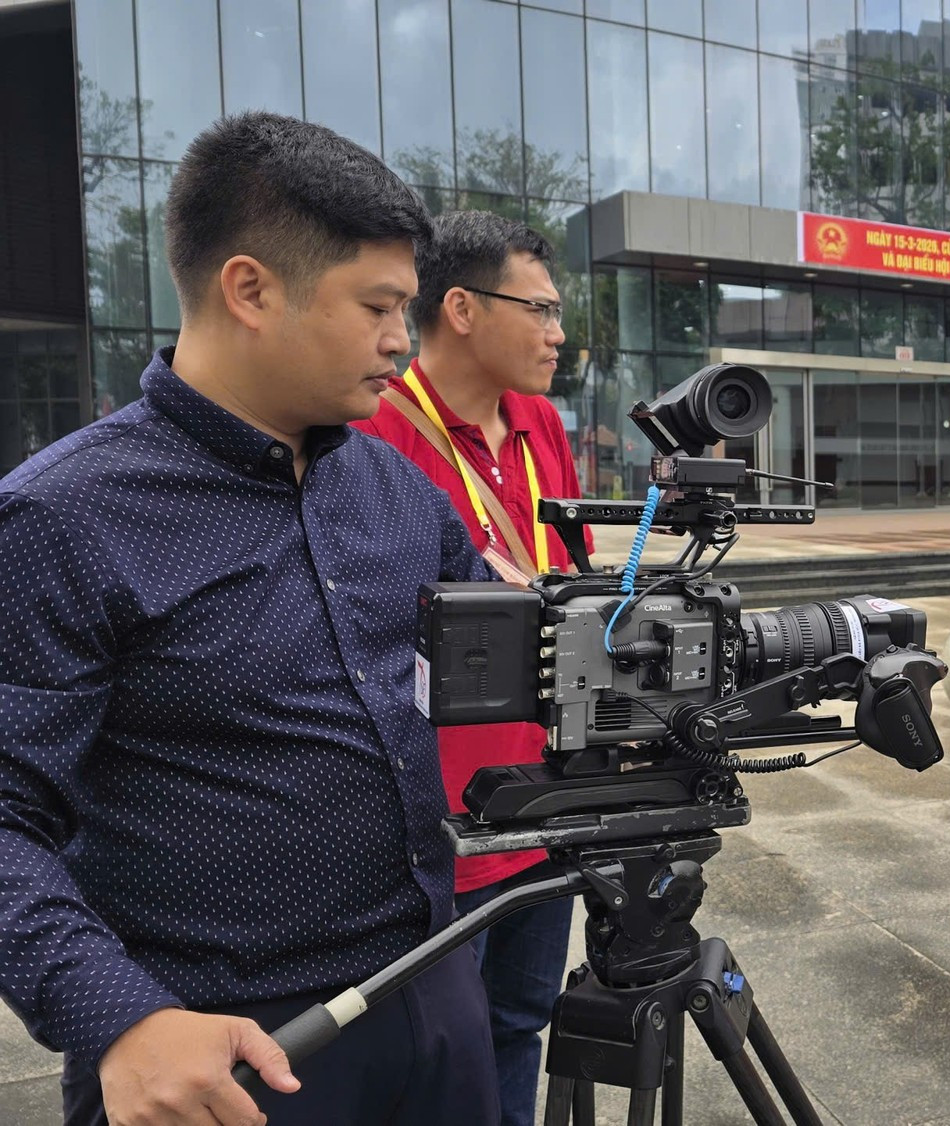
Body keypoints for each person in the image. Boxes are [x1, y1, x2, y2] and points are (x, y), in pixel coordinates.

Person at [0, 113, 500, 1125]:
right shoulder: (61, 518)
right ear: (250, 289)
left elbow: (509, 647)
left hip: (436, 987)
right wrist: (120, 1017)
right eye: (377, 306)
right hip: (218, 1052)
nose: (402, 342)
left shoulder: (400, 492)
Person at [351, 211, 585, 1126]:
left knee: (523, 1023)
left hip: (551, 792)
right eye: (541, 310)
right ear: (460, 307)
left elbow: (566, 571)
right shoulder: (375, 430)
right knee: (433, 1048)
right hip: (439, 814)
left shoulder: (539, 422)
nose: (558, 333)